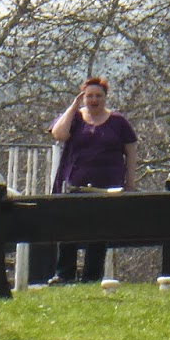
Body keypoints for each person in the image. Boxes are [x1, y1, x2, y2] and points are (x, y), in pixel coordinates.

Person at [48, 76, 138, 283]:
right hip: (75, 184)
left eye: (98, 95)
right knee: (69, 227)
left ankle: (91, 276)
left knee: (99, 230)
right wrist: (74, 106)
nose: (94, 100)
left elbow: (131, 151)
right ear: (83, 97)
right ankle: (64, 274)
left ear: (105, 97)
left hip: (107, 186)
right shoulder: (76, 118)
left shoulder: (118, 122)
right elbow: (59, 134)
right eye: (89, 96)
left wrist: (130, 183)